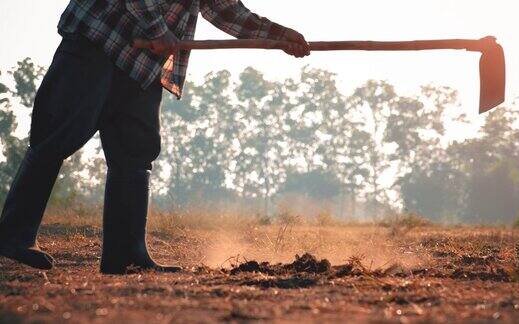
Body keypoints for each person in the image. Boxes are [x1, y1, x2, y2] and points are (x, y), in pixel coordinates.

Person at [0, 0, 310, 274]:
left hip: (142, 62)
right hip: (99, 40)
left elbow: (224, 8)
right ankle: (13, 236)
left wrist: (278, 36)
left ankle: (126, 255)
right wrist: (157, 29)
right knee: (57, 134)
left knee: (135, 153)